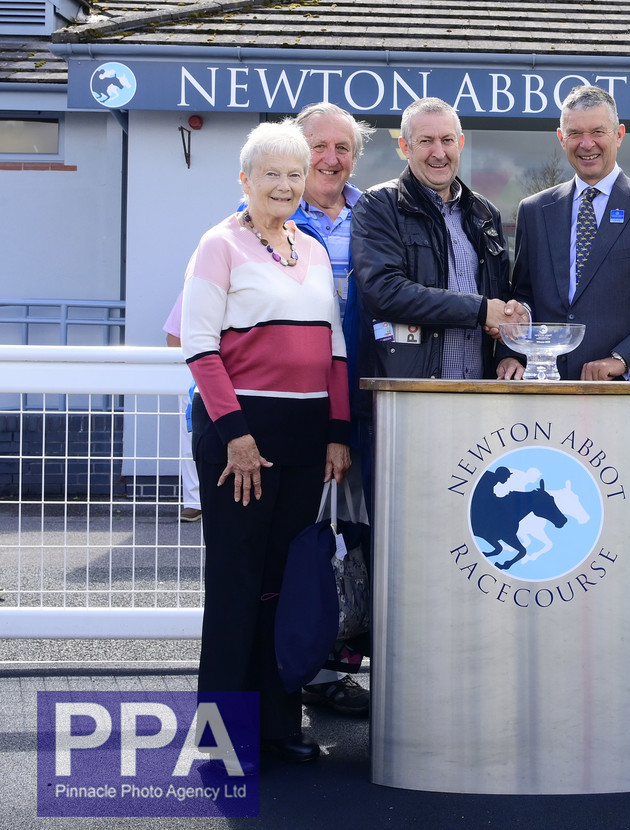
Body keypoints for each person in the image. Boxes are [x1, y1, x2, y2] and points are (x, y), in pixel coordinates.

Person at [181, 121, 351, 764]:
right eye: (271, 173)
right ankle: (222, 740)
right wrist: (236, 437)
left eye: (294, 173)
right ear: (245, 180)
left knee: (281, 586)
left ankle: (277, 726)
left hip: (306, 440)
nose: (284, 184)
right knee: (236, 583)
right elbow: (199, 347)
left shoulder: (308, 247)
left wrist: (337, 433)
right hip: (239, 439)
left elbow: (333, 349)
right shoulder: (218, 245)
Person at [500, 85, 630, 381]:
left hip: (627, 391)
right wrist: (511, 353)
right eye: (575, 133)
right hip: (549, 391)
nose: (586, 143)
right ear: (561, 137)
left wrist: (622, 359)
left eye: (597, 132)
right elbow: (524, 296)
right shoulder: (535, 210)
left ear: (619, 135)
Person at [288, 101, 376, 718]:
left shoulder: (378, 214)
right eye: (319, 146)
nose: (331, 158)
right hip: (292, 405)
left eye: (343, 148)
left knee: (361, 538)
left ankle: (332, 670)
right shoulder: (263, 216)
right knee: (299, 541)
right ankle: (288, 670)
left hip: (364, 402)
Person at [350, 96, 522, 387]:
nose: (439, 152)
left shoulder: (485, 213)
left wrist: (507, 353)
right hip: (410, 394)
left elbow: (501, 297)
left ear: (461, 144)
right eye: (426, 141)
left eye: (447, 140)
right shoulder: (379, 205)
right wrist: (479, 310)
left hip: (478, 396)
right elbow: (385, 291)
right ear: (405, 147)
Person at [162, 293, 201, 522]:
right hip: (199, 373)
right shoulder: (193, 288)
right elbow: (173, 337)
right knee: (192, 437)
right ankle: (194, 501)